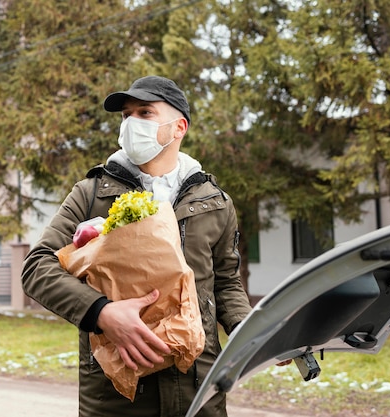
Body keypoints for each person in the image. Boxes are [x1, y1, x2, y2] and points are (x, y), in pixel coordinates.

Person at [22, 75, 252, 417]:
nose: (131, 123)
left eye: (144, 113)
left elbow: (226, 283)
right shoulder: (90, 193)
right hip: (116, 391)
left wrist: (254, 336)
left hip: (198, 388)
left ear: (179, 127)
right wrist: (100, 311)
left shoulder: (215, 202)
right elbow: (37, 267)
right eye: (126, 115)